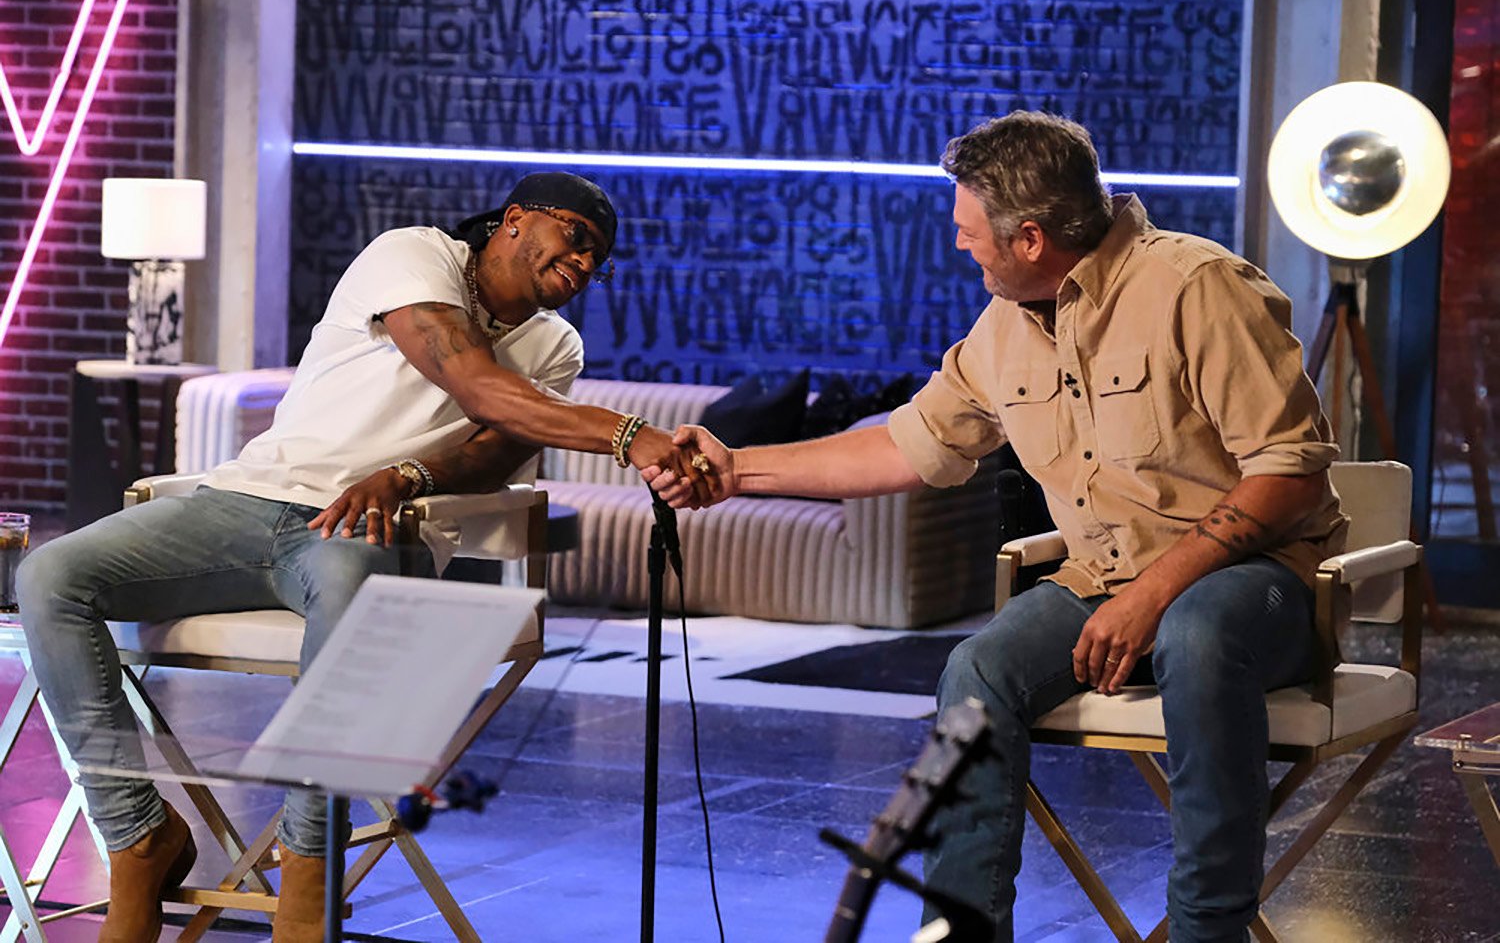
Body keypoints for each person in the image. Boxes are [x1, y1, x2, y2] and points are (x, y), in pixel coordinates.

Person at [647, 113, 1347, 942]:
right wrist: (737, 470)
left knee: (1195, 633)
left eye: (967, 230)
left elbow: (1291, 474)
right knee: (977, 668)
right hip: (1105, 583)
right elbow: (904, 445)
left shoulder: (1197, 288)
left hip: (1256, 583)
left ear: (1030, 237)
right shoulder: (1007, 324)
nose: (959, 246)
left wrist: (1156, 593)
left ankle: (1207, 931)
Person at [18, 172, 705, 943]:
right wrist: (628, 435)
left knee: (353, 604)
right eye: (575, 237)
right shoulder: (413, 256)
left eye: (598, 260)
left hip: (365, 531)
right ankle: (139, 835)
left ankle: (308, 863)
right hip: (244, 499)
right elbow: (474, 382)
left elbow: (494, 450)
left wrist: (408, 473)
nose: (583, 264)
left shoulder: (553, 347)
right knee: (48, 574)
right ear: (514, 220)